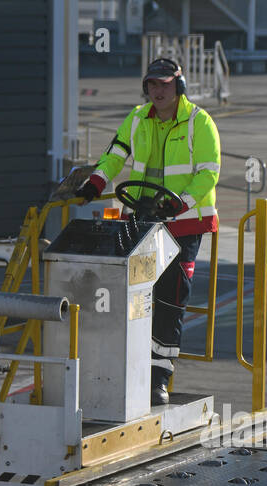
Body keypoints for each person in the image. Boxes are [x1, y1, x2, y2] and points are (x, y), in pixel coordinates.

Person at [76, 57, 221, 405]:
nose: (158, 90)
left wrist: (180, 202)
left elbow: (208, 172)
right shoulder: (138, 118)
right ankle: (133, 372)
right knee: (135, 297)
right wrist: (95, 183)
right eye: (152, 84)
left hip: (183, 222)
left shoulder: (199, 123)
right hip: (142, 218)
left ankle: (159, 379)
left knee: (170, 297)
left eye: (165, 84)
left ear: (179, 86)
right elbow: (115, 154)